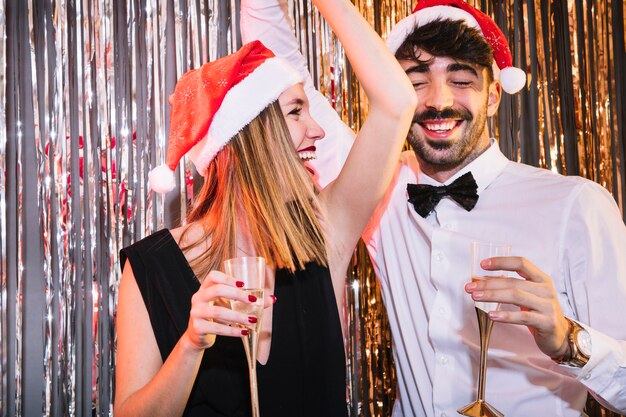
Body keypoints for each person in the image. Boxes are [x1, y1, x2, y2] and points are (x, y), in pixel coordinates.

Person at [240, 0, 626, 415]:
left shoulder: (576, 205)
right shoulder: (379, 188)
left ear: (494, 96)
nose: (438, 101)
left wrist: (569, 341)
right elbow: (279, 71)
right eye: (416, 82)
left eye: (461, 80)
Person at [113, 0, 415, 414]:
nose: (319, 131)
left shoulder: (325, 234)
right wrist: (190, 345)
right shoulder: (151, 268)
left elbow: (397, 103)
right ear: (251, 137)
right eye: (296, 112)